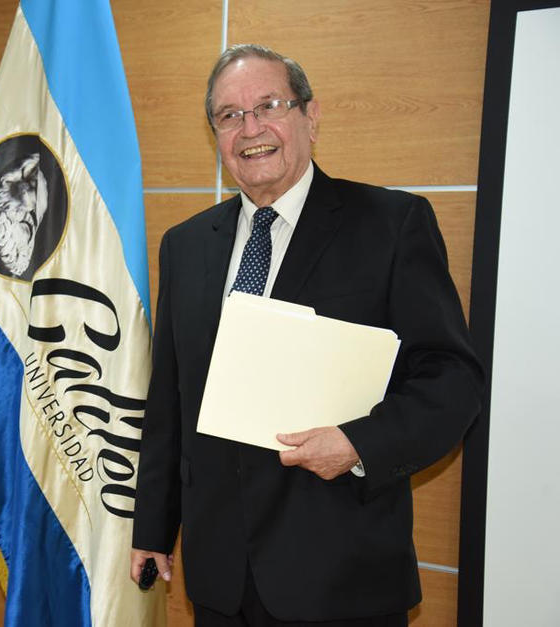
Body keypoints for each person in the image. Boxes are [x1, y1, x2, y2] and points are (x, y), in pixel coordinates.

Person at [130, 44, 484, 626]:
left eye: (268, 105)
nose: (250, 128)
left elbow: (452, 380)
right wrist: (154, 527)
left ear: (310, 118)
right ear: (216, 135)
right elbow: (170, 400)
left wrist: (359, 444)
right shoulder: (186, 246)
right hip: (220, 579)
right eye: (229, 115)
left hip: (342, 576)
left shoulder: (392, 225)